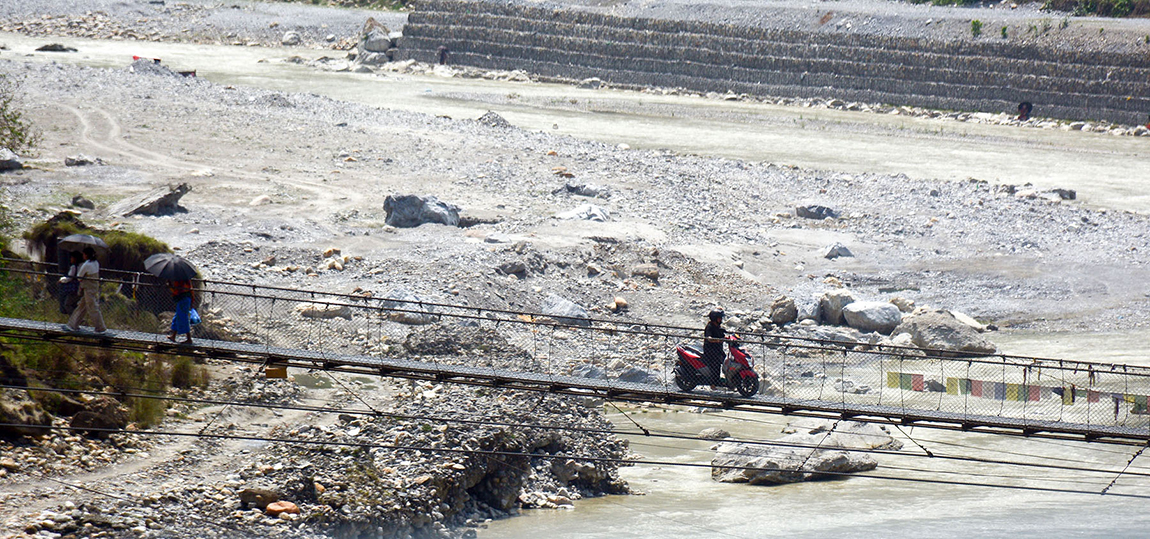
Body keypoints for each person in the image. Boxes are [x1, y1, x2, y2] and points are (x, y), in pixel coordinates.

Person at [64, 247, 106, 333]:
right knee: (82, 306)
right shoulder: (96, 263)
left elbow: (79, 277)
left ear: (86, 255)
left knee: (92, 307)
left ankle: (100, 328)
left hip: (88, 289)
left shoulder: (87, 264)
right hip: (94, 287)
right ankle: (73, 325)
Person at [703, 309, 727, 387]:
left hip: (718, 350)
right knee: (715, 365)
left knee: (724, 361)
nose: (721, 320)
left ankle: (721, 380)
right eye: (719, 318)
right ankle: (713, 383)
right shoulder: (709, 327)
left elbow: (723, 335)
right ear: (714, 318)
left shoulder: (718, 327)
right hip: (711, 351)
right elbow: (709, 337)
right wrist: (716, 340)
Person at [167, 279, 194, 344]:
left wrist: (170, 286)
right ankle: (173, 336)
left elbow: (178, 291)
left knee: (182, 317)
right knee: (178, 316)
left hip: (183, 299)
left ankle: (189, 339)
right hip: (186, 299)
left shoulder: (181, 280)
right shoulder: (186, 279)